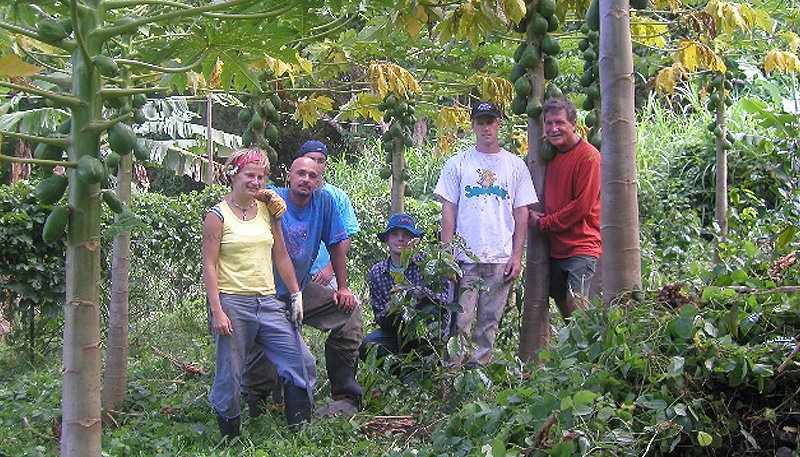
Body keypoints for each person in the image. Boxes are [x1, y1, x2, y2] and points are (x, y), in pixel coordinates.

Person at [202, 148, 315, 440]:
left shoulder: (267, 210)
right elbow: (210, 266)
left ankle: (299, 434)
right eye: (249, 175)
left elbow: (281, 255)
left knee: (301, 361)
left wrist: (295, 294)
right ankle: (231, 438)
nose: (255, 182)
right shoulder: (217, 216)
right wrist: (217, 311)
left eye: (260, 177)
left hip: (267, 301)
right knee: (231, 373)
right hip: (233, 301)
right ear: (234, 176)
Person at [241, 156, 363, 418]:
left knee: (349, 312)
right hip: (264, 291)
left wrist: (342, 287)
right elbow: (243, 195)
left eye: (312, 176)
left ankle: (343, 390)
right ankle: (255, 399)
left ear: (319, 182)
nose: (306, 179)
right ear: (289, 176)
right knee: (269, 346)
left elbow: (336, 243)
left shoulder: (324, 203)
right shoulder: (270, 199)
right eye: (301, 174)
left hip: (301, 288)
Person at [434, 100, 537, 368]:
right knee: (460, 322)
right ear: (473, 126)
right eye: (480, 122)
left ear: (498, 124)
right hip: (465, 258)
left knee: (489, 323)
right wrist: (447, 255)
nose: (486, 128)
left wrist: (517, 255)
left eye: (490, 121)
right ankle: (452, 377)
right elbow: (448, 211)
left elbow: (521, 212)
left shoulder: (515, 166)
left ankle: (477, 378)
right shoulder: (458, 163)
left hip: (500, 257)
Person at [529, 97, 601, 317]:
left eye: (560, 123)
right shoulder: (548, 155)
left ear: (574, 124)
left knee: (578, 307)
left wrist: (542, 223)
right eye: (549, 124)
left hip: (581, 247)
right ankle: (575, 350)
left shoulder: (589, 157)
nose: (553, 129)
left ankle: (587, 351)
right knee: (564, 308)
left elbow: (581, 206)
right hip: (555, 248)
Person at [359, 213, 453, 363]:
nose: (400, 239)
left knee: (431, 315)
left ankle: (429, 371)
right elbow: (378, 315)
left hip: (426, 329)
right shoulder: (377, 272)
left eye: (406, 235)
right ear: (387, 239)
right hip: (395, 330)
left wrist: (418, 294)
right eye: (395, 234)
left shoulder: (428, 263)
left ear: (415, 240)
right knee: (367, 345)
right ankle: (400, 377)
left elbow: (444, 301)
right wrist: (392, 308)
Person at [298, 140, 361, 289]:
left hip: (323, 276)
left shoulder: (338, 196)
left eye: (320, 161)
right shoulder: (291, 195)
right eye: (311, 159)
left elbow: (346, 235)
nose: (316, 164)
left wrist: (329, 268)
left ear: (325, 165)